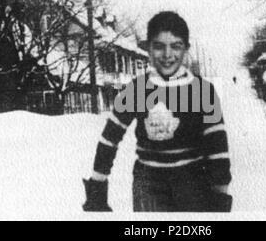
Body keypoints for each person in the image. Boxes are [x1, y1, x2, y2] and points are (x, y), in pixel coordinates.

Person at [83, 11, 232, 212]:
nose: (167, 54)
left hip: (193, 183)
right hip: (149, 184)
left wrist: (220, 193)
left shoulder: (202, 91)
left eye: (176, 46)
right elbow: (110, 138)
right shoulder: (137, 89)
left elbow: (217, 146)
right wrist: (97, 188)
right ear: (149, 49)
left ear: (186, 49)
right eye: (159, 46)